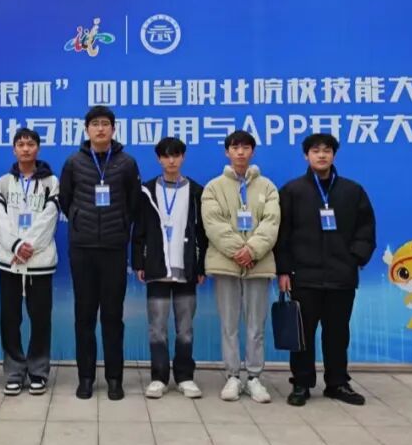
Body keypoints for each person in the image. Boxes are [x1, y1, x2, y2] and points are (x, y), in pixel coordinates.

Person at [275, 133, 376, 407]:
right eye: (316, 151)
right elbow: (282, 235)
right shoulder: (292, 191)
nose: (322, 155)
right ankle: (301, 384)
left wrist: (354, 258)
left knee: (338, 334)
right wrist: (283, 270)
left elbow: (366, 229)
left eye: (327, 150)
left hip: (341, 277)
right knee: (303, 336)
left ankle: (337, 383)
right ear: (306, 155)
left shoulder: (352, 191)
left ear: (334, 155)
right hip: (303, 277)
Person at [59, 106, 141, 401]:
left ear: (113, 129)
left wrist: (119, 224)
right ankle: (86, 377)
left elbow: (133, 203)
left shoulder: (127, 163)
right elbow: (65, 199)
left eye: (106, 124)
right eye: (95, 124)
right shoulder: (74, 162)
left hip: (114, 249)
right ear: (87, 130)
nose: (101, 128)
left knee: (112, 316)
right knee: (84, 316)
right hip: (82, 249)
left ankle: (114, 378)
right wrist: (80, 219)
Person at [201, 131, 280, 403]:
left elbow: (271, 222)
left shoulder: (267, 187)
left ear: (253, 152)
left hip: (259, 264)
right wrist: (239, 251)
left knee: (256, 325)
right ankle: (232, 376)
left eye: (246, 147)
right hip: (226, 264)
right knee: (229, 324)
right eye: (235, 148)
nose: (240, 152)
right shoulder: (214, 187)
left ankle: (255, 377)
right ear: (227, 152)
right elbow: (213, 224)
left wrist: (253, 250)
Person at [132, 137, 207, 400]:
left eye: (176, 155)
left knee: (185, 328)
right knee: (157, 328)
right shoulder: (147, 190)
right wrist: (138, 262)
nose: (171, 160)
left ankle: (185, 377)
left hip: (186, 268)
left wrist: (201, 265)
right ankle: (159, 378)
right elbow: (139, 229)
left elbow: (202, 232)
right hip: (157, 267)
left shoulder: (196, 191)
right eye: (166, 156)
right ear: (159, 159)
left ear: (183, 157)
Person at [0, 128, 61, 396]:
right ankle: (13, 372)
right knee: (10, 319)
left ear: (38, 149)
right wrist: (15, 246)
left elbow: (50, 217)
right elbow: (0, 219)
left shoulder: (51, 182)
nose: (25, 148)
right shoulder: (3, 183)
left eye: (30, 144)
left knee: (40, 319)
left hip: (40, 261)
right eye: (20, 144)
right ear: (14, 149)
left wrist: (28, 246)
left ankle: (38, 372)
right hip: (8, 261)